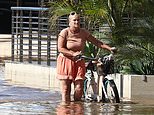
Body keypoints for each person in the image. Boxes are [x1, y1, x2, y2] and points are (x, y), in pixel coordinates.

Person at [57, 11, 115, 103]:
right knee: (66, 89)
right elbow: (60, 48)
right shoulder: (65, 32)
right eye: (74, 20)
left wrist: (109, 48)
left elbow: (97, 42)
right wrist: (72, 54)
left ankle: (77, 109)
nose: (76, 22)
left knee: (79, 88)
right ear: (69, 22)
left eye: (78, 20)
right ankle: (66, 109)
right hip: (66, 61)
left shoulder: (83, 32)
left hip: (79, 61)